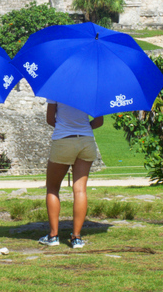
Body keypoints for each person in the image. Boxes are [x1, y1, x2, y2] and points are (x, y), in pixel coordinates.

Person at [39, 101, 103, 249]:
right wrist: (84, 127)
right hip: (86, 140)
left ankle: (53, 235)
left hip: (64, 139)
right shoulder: (92, 88)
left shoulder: (56, 87)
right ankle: (76, 237)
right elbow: (99, 121)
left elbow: (49, 119)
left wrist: (65, 128)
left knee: (53, 188)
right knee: (80, 190)